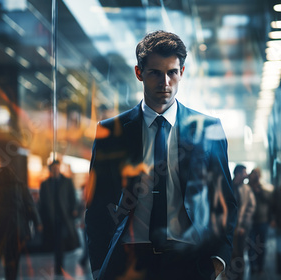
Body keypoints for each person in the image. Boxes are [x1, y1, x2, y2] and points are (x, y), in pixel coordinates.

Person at [85, 30, 237, 280]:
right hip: (128, 262)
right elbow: (97, 206)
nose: (164, 82)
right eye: (155, 72)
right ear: (139, 73)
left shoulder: (208, 129)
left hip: (190, 261)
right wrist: (99, 267)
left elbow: (224, 201)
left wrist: (218, 259)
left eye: (172, 72)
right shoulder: (111, 132)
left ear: (182, 73)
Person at [0, 166, 42, 280]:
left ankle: (8, 274)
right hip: (18, 228)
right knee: (14, 255)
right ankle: (12, 276)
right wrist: (37, 222)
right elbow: (30, 206)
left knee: (5, 254)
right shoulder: (20, 186)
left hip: (0, 227)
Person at [38, 160, 80, 275]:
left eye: (57, 168)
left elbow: (73, 197)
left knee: (60, 241)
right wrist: (40, 220)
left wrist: (74, 209)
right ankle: (58, 266)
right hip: (50, 218)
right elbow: (42, 203)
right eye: (53, 168)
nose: (55, 170)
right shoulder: (45, 184)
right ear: (50, 170)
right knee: (55, 242)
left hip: (63, 217)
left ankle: (59, 266)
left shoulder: (67, 181)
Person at [227, 165, 255, 280]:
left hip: (241, 227)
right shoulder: (229, 186)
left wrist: (243, 225)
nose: (246, 175)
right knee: (229, 253)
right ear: (238, 174)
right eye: (244, 172)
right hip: (229, 227)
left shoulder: (246, 189)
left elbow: (250, 207)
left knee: (239, 253)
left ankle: (239, 277)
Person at [247, 168, 272, 276]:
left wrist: (259, 189)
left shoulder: (263, 187)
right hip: (250, 221)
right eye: (253, 174)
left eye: (257, 174)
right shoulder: (246, 187)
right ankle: (253, 267)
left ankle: (261, 267)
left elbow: (269, 200)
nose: (255, 176)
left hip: (262, 220)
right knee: (251, 245)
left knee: (261, 245)